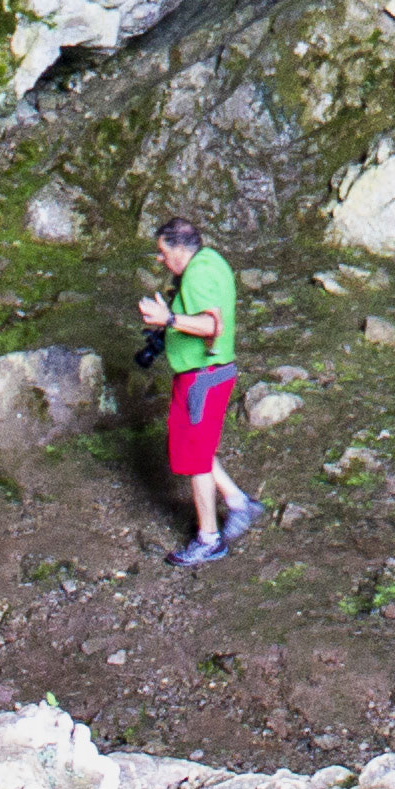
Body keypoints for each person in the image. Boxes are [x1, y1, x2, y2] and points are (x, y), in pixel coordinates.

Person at [138, 215, 260, 565]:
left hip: (202, 377)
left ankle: (209, 539)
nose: (161, 259)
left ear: (180, 249)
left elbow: (212, 325)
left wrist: (169, 320)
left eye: (163, 252)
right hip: (203, 375)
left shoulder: (197, 274)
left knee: (196, 458)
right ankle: (239, 503)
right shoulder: (210, 261)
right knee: (196, 446)